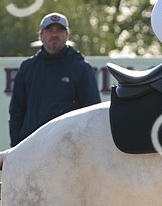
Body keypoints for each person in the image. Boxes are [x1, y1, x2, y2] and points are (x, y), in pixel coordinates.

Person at [8, 12, 100, 147]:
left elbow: (92, 113)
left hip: (67, 148)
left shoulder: (81, 68)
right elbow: (16, 110)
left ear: (67, 35)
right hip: (30, 146)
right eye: (49, 30)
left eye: (59, 30)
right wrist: (16, 145)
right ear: (40, 35)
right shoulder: (27, 68)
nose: (54, 34)